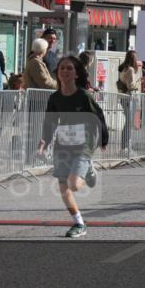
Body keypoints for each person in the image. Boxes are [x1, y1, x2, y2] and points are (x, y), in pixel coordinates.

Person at [38, 56, 108, 238]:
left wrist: (104, 138)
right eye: (62, 68)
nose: (65, 71)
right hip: (62, 145)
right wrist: (44, 141)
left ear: (76, 73)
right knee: (64, 187)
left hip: (83, 145)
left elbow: (98, 116)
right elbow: (50, 121)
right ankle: (79, 223)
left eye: (70, 68)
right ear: (57, 73)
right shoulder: (55, 98)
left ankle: (88, 170)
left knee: (74, 185)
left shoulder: (84, 96)